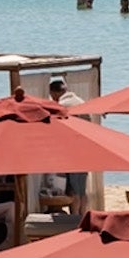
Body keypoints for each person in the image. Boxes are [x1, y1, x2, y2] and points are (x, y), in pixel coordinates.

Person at [47, 77, 87, 212]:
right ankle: (83, 214)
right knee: (82, 189)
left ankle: (74, 217)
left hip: (72, 151)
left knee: (73, 189)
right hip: (86, 150)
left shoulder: (62, 106)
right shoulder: (81, 102)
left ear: (54, 93)